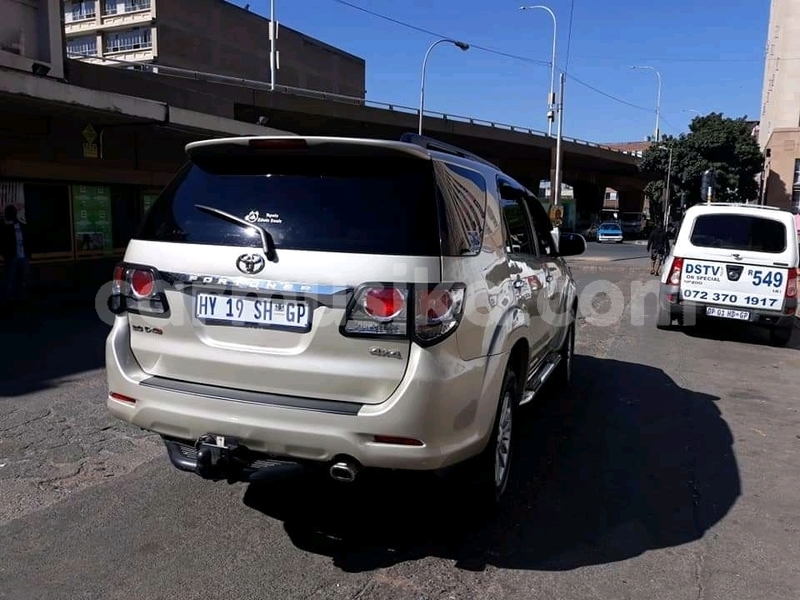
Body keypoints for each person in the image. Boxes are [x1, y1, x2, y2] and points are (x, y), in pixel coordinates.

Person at [1, 204, 30, 311]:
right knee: (11, 279)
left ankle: (20, 299)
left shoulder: (22, 225)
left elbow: (27, 240)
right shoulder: (6, 227)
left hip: (22, 256)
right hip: (13, 256)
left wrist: (27, 255)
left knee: (21, 278)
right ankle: (11, 300)